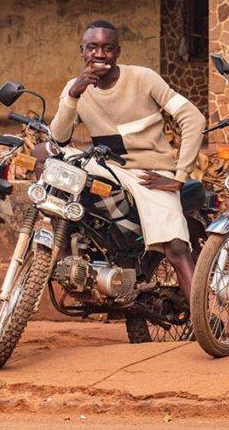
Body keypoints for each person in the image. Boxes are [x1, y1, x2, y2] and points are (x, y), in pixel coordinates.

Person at [49, 20, 206, 301]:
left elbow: (193, 118)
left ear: (118, 51)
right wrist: (74, 93)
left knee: (176, 247)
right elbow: (59, 138)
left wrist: (180, 176)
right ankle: (64, 259)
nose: (100, 55)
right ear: (82, 51)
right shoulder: (75, 89)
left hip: (149, 172)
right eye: (92, 48)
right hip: (106, 168)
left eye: (108, 48)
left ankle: (208, 324)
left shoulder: (143, 78)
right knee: (48, 162)